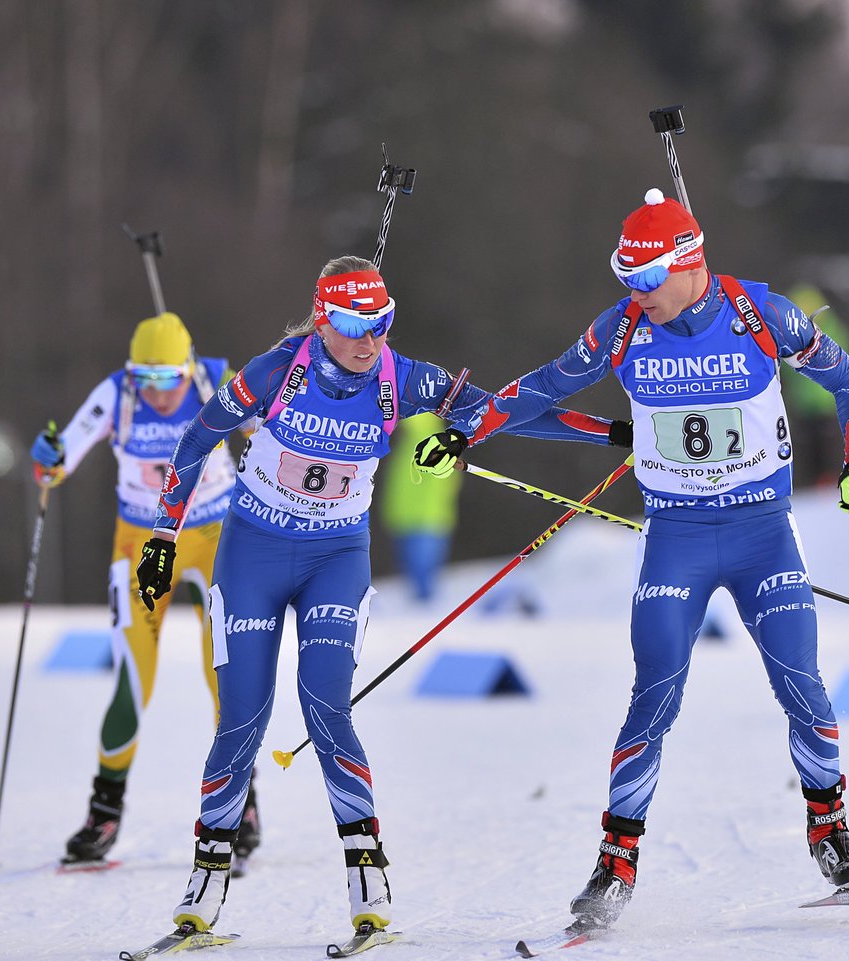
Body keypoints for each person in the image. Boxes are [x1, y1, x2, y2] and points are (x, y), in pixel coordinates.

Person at [413, 189, 849, 928]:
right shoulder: (622, 327)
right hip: (678, 537)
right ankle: (615, 861)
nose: (635, 295)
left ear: (687, 263)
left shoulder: (763, 314)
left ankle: (831, 830)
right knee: (654, 691)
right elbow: (540, 388)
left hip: (764, 533)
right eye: (625, 280)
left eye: (646, 279)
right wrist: (469, 429)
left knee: (802, 681)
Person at [134, 255, 631, 938]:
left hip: (335, 557)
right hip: (252, 551)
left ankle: (368, 881)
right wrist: (165, 534)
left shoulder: (405, 378)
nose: (370, 341)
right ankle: (204, 888)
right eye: (355, 325)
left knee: (326, 705)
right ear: (322, 320)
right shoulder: (278, 371)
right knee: (242, 717)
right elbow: (198, 437)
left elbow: (504, 411)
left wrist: (612, 431)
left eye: (382, 323)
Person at [30, 312, 261, 868]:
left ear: (188, 368)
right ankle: (103, 814)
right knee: (133, 679)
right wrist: (48, 459)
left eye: (169, 380)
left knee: (226, 674)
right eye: (147, 381)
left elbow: (268, 437)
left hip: (213, 537)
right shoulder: (116, 393)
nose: (159, 394)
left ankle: (241, 805)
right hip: (142, 541)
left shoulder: (217, 381)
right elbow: (56, 467)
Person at [379, 411, 461, 602]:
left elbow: (415, 420)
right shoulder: (410, 443)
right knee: (413, 576)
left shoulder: (431, 439)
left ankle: (426, 612)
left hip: (427, 519)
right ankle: (421, 611)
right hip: (407, 518)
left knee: (423, 578)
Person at [780, 283, 849, 488]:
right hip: (808, 400)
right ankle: (818, 480)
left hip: (823, 398)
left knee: (826, 441)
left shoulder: (829, 330)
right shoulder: (831, 329)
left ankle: (831, 478)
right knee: (810, 443)